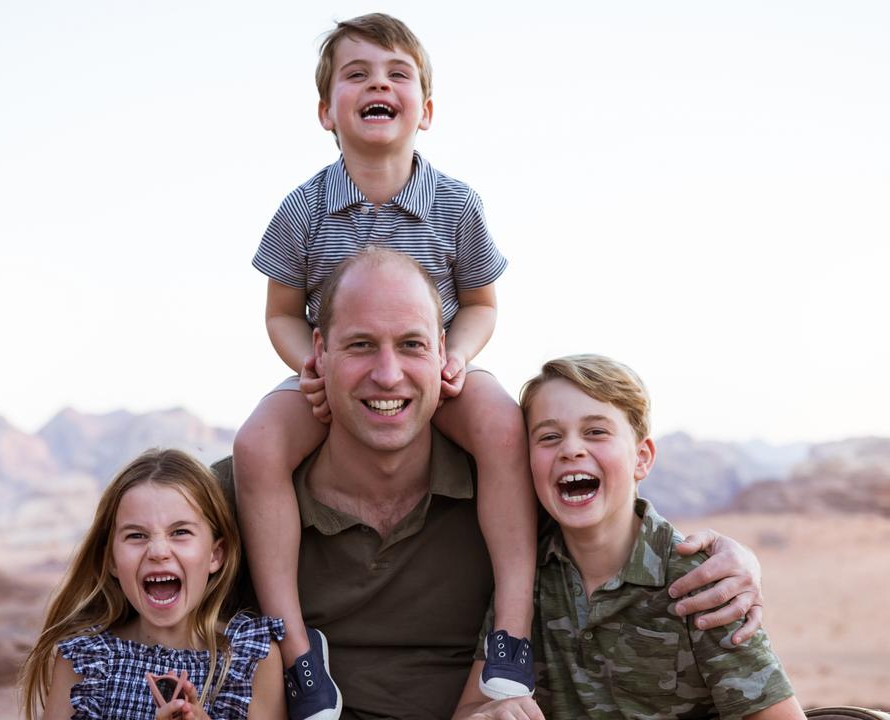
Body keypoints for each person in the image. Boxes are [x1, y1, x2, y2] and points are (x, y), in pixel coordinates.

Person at [215, 248, 767, 720]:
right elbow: (142, 569)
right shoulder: (238, 497)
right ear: (319, 351)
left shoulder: (510, 488)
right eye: (361, 345)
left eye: (411, 345)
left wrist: (735, 559)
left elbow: (615, 531)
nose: (388, 375)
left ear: (443, 354)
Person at [233, 13, 537, 718]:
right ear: (325, 110)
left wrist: (457, 356)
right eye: (358, 74)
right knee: (256, 444)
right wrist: (305, 360)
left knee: (501, 423)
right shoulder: (303, 209)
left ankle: (512, 631)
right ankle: (297, 649)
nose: (379, 84)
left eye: (398, 74)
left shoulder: (456, 204)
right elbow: (280, 311)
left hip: (435, 369)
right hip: (333, 372)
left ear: (425, 110)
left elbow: (483, 304)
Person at [454, 355, 804, 719]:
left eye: (596, 432)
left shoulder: (699, 580)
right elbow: (471, 708)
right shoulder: (525, 577)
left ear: (641, 459)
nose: (571, 449)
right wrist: (488, 715)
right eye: (549, 437)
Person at [20, 449, 287, 720]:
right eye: (136, 535)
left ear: (215, 555)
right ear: (111, 560)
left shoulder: (251, 659)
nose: (158, 551)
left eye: (180, 532)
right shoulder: (85, 660)